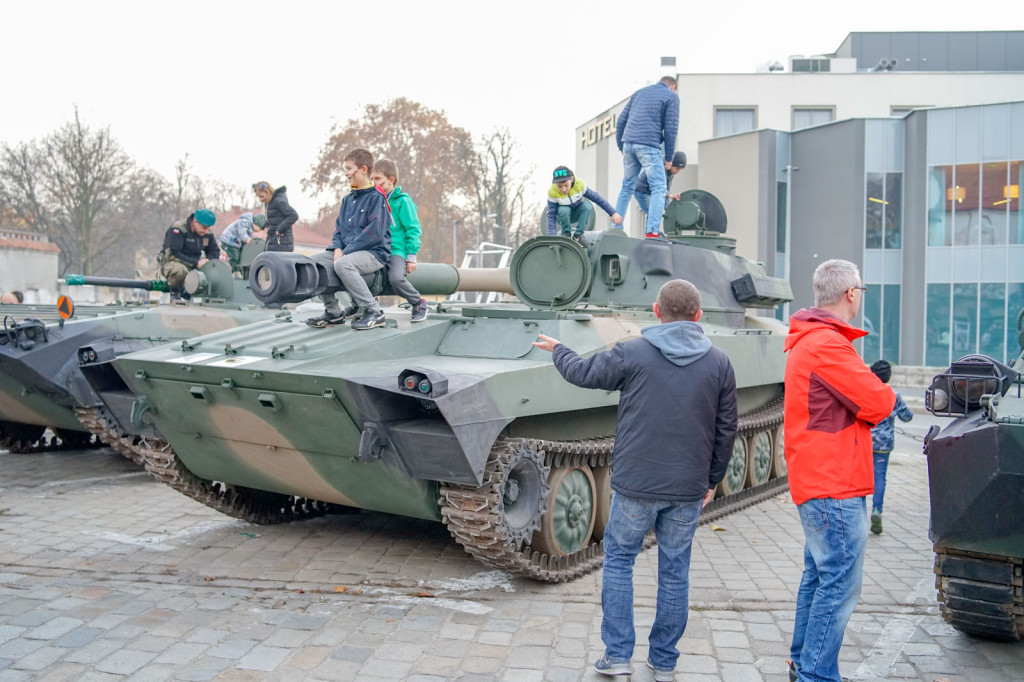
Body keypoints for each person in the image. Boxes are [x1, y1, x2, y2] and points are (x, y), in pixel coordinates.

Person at [532, 279, 737, 682]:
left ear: (657, 313)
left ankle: (618, 656)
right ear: (698, 316)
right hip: (687, 488)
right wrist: (711, 480)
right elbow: (726, 428)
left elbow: (584, 373)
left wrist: (560, 350)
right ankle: (663, 662)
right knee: (675, 569)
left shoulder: (634, 352)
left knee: (620, 561)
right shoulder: (719, 363)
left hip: (635, 485)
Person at [783, 259, 896, 682]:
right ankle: (814, 674)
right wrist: (882, 392)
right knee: (839, 585)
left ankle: (805, 665)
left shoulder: (810, 340)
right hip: (835, 483)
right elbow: (880, 403)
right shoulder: (827, 344)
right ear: (851, 294)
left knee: (819, 578)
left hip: (821, 480)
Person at [304, 148, 391, 331]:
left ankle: (374, 311)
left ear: (363, 169)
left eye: (349, 168)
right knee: (311, 263)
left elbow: (375, 232)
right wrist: (337, 249)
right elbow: (339, 230)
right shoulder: (347, 200)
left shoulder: (376, 198)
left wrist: (346, 252)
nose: (346, 173)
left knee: (343, 265)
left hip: (373, 253)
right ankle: (333, 314)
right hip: (346, 251)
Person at [613, 76, 680, 239]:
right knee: (658, 187)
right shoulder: (671, 96)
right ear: (673, 87)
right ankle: (652, 231)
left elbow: (621, 120)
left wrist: (621, 145)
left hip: (629, 143)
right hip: (648, 144)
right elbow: (671, 129)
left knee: (627, 186)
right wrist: (669, 157)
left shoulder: (639, 93)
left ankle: (615, 228)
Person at [371, 158, 429, 322]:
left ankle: (418, 303)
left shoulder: (402, 201)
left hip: (397, 250)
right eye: (372, 179)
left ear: (391, 180)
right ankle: (366, 305)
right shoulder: (375, 201)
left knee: (396, 278)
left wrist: (411, 255)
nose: (374, 183)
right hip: (378, 250)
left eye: (378, 179)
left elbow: (413, 228)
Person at [867, 359, 913, 535]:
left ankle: (857, 510)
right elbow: (907, 417)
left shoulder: (867, 393)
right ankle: (877, 511)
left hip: (864, 441)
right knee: (879, 478)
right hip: (884, 445)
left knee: (860, 477)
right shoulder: (894, 395)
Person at [546, 166, 622, 239]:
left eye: (566, 185)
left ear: (571, 179)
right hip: (562, 216)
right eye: (560, 186)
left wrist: (612, 213)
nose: (564, 189)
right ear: (556, 184)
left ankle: (578, 235)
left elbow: (597, 198)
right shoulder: (552, 192)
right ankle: (566, 233)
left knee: (587, 206)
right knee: (564, 209)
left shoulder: (579, 185)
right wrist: (551, 238)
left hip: (577, 214)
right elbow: (551, 215)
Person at [159, 209, 219, 299]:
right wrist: (196, 263)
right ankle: (175, 292)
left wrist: (208, 262)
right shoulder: (178, 230)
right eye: (204, 228)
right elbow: (172, 254)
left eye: (208, 228)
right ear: (195, 221)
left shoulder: (207, 234)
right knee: (180, 270)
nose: (206, 231)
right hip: (172, 263)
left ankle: (193, 293)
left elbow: (214, 251)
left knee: (220, 267)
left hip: (194, 265)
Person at [634, 151, 687, 217]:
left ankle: (652, 227)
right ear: (671, 164)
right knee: (654, 215)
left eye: (680, 170)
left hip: (653, 192)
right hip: (643, 192)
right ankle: (652, 227)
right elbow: (659, 186)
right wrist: (669, 195)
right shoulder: (659, 167)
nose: (678, 172)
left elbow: (666, 189)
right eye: (677, 169)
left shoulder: (670, 172)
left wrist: (669, 209)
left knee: (655, 215)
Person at [252, 181, 298, 252]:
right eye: (259, 197)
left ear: (267, 191)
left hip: (282, 243)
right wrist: (262, 226)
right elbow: (272, 218)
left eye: (262, 196)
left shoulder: (278, 201)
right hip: (273, 239)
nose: (260, 199)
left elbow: (293, 215)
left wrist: (280, 229)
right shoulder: (268, 202)